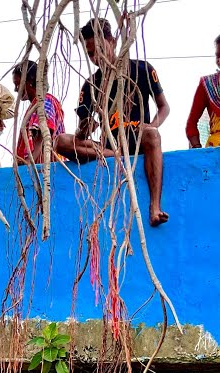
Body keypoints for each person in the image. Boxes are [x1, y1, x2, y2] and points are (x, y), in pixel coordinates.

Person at [54, 18, 171, 226]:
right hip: (107, 146)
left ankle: (154, 206)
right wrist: (84, 130)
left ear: (113, 41)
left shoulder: (141, 69)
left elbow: (164, 107)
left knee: (153, 135)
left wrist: (151, 125)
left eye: (99, 49)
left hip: (137, 139)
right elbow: (82, 133)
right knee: (61, 142)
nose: (95, 57)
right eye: (90, 54)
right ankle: (114, 155)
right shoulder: (91, 84)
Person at [11, 60, 66, 165]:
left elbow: (43, 135)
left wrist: (28, 163)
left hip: (45, 166)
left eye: (17, 84)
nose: (16, 89)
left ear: (30, 81)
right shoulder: (36, 104)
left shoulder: (44, 101)